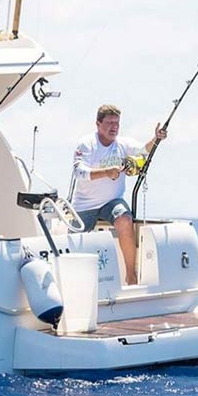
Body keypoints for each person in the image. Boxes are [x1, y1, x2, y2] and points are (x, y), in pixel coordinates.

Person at [71, 104, 167, 285]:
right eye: (109, 123)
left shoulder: (123, 144)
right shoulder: (86, 143)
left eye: (117, 123)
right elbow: (79, 172)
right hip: (85, 204)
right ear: (98, 124)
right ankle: (77, 283)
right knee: (74, 243)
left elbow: (144, 150)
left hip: (112, 202)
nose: (114, 127)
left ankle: (130, 276)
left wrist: (157, 137)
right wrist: (106, 172)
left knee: (124, 218)